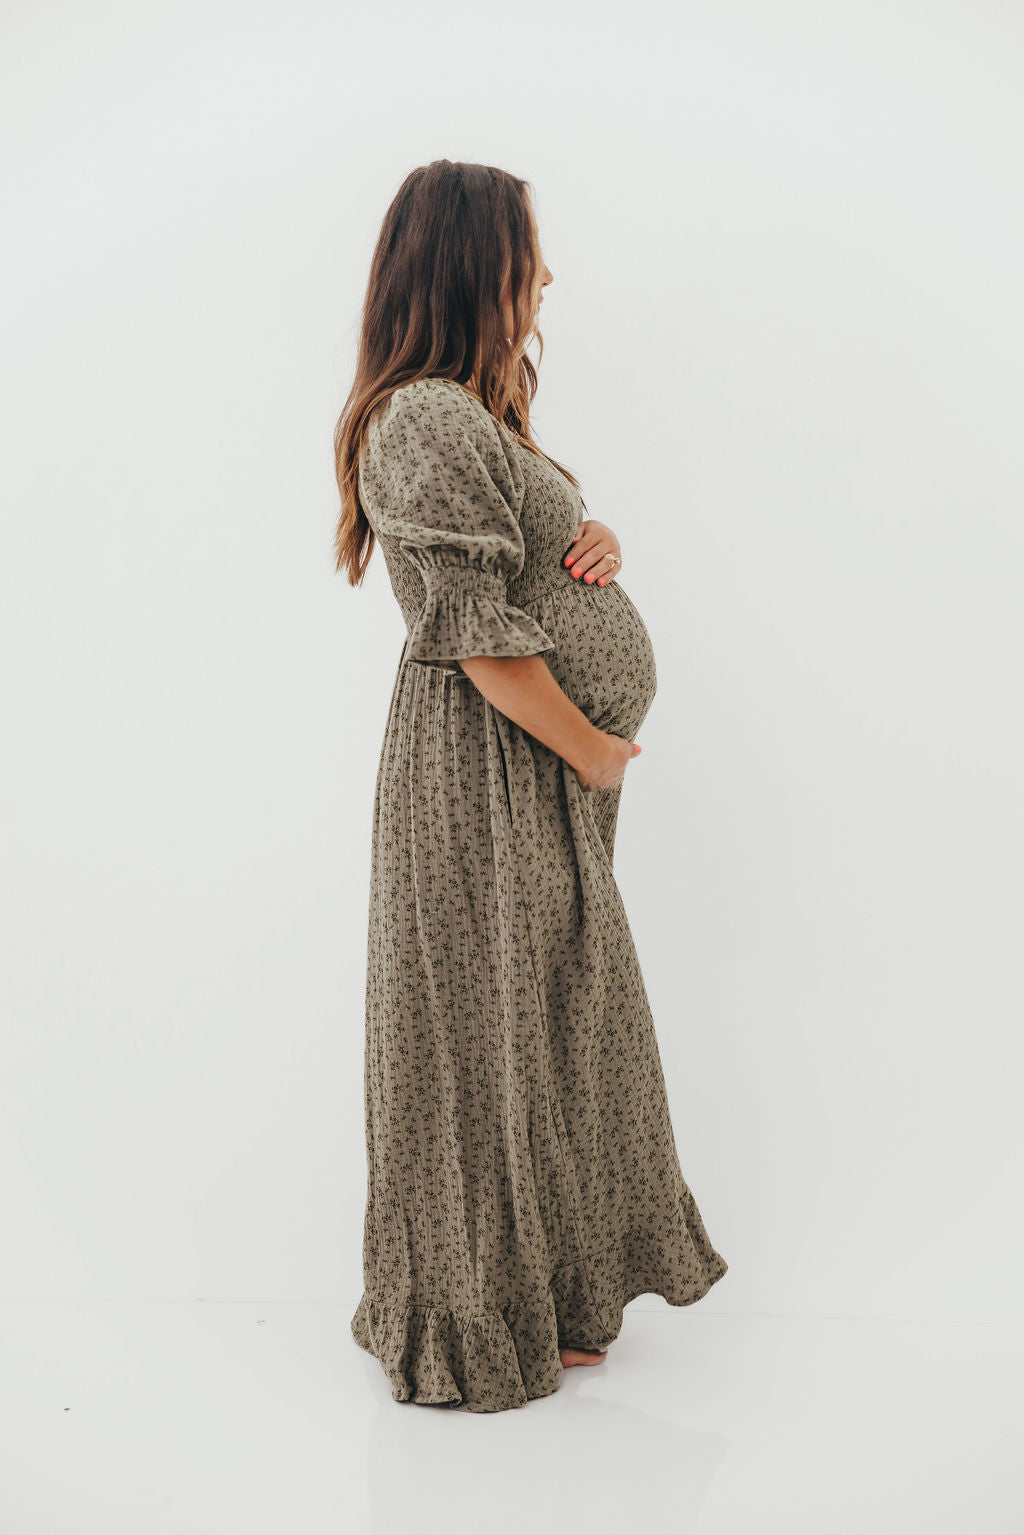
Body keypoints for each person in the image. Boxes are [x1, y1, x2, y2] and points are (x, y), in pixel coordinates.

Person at [333, 159, 728, 1413]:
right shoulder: (423, 417)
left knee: (550, 1019)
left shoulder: (474, 415)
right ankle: (470, 1314)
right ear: (469, 262)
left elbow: (525, 572)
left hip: (525, 767)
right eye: (527, 253)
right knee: (482, 1032)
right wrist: (593, 748)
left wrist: (589, 539)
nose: (546, 275)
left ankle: (549, 1290)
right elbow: (478, 638)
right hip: (487, 765)